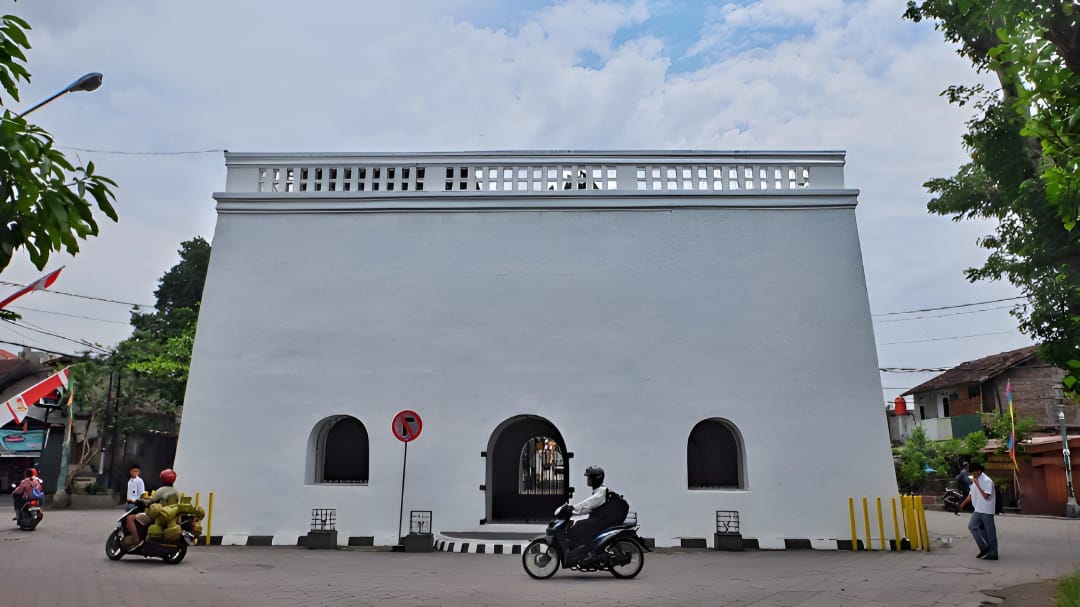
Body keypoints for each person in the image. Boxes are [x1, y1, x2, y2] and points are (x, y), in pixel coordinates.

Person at [560, 466, 628, 566]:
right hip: (604, 518)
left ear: (595, 479)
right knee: (582, 525)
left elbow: (588, 504)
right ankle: (584, 551)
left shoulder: (601, 492)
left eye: (589, 478)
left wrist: (572, 507)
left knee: (580, 525)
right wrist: (573, 512)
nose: (587, 480)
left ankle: (588, 553)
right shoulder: (599, 491)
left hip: (607, 519)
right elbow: (589, 508)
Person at [122, 468, 180, 550]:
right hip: (170, 516)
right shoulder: (176, 492)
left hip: (158, 515)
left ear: (163, 479)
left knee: (130, 518)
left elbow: (151, 500)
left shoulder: (162, 490)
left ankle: (136, 539)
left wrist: (140, 500)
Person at [958, 462, 998, 560]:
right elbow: (971, 493)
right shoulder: (975, 479)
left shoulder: (987, 481)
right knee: (972, 526)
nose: (972, 475)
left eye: (973, 472)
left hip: (987, 509)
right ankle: (984, 548)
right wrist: (963, 504)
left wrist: (978, 484)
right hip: (978, 509)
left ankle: (993, 553)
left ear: (978, 471)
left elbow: (986, 496)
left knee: (990, 532)